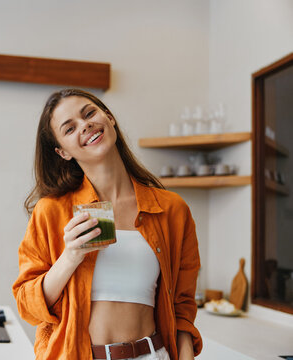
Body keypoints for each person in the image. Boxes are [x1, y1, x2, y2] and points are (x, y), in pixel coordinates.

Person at [12, 89, 202, 360]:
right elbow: (27, 306)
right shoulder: (52, 211)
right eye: (69, 128)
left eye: (89, 113)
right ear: (63, 152)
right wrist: (70, 258)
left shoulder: (171, 210)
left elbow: (182, 308)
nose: (85, 125)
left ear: (109, 118)